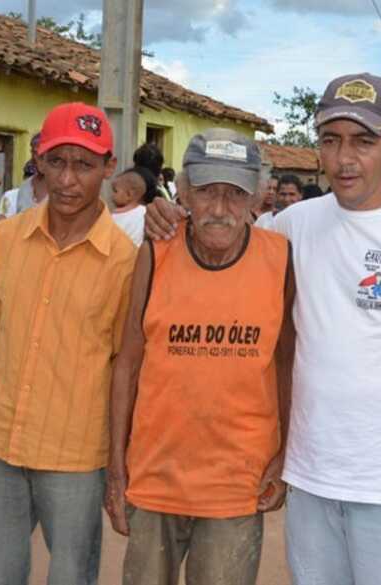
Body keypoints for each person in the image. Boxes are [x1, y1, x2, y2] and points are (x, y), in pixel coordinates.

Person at [145, 73, 381, 585]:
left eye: (363, 141)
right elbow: (220, 230)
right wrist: (167, 213)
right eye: (331, 141)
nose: (344, 159)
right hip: (309, 482)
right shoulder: (294, 225)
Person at [105, 129, 295, 585]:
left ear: (257, 199)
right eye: (207, 191)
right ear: (184, 193)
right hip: (155, 473)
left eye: (236, 194)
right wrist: (115, 465)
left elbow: (287, 363)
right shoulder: (156, 253)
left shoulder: (279, 258)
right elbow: (127, 363)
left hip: (238, 481)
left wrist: (286, 453)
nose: (220, 208)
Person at [0, 102, 137, 585]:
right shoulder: (3, 240)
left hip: (74, 454)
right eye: (57, 161)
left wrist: (117, 463)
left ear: (108, 168)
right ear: (38, 159)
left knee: (71, 576)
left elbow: (122, 365)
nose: (67, 180)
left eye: (84, 165)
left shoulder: (126, 261)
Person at [110, 169, 147, 246]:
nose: (112, 195)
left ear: (128, 195)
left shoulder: (114, 217)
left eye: (115, 191)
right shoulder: (145, 212)